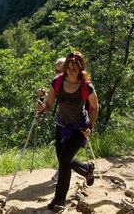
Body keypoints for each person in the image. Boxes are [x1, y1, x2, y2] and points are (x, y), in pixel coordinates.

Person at [36, 52, 99, 210]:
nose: (71, 71)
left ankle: (59, 199)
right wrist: (43, 108)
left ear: (80, 68)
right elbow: (49, 105)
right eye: (68, 67)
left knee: (64, 160)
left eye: (75, 68)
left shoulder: (86, 86)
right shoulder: (57, 82)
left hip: (78, 127)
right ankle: (87, 169)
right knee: (64, 160)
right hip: (61, 126)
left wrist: (89, 126)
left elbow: (95, 108)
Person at [38, 57, 66, 181]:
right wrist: (44, 97)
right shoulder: (56, 82)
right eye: (56, 70)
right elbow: (52, 101)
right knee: (59, 148)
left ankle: (64, 171)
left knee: (66, 150)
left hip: (75, 120)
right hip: (61, 119)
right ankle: (85, 168)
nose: (58, 73)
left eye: (61, 70)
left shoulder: (75, 82)